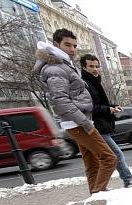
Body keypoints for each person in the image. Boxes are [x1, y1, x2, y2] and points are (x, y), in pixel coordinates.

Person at [33, 29, 116, 194]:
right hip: (78, 123)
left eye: (75, 45)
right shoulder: (55, 68)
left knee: (92, 162)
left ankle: (95, 195)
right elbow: (60, 100)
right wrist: (85, 123)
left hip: (80, 120)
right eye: (67, 45)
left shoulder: (64, 64)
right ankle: (100, 193)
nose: (72, 49)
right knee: (109, 158)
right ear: (56, 44)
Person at [80, 54, 132, 188]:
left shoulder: (94, 82)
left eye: (97, 66)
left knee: (101, 159)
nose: (95, 69)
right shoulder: (85, 84)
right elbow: (88, 108)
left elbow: (99, 103)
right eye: (91, 66)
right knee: (115, 155)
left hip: (100, 125)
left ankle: (100, 188)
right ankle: (127, 181)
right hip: (95, 126)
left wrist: (112, 106)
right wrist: (108, 110)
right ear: (83, 67)